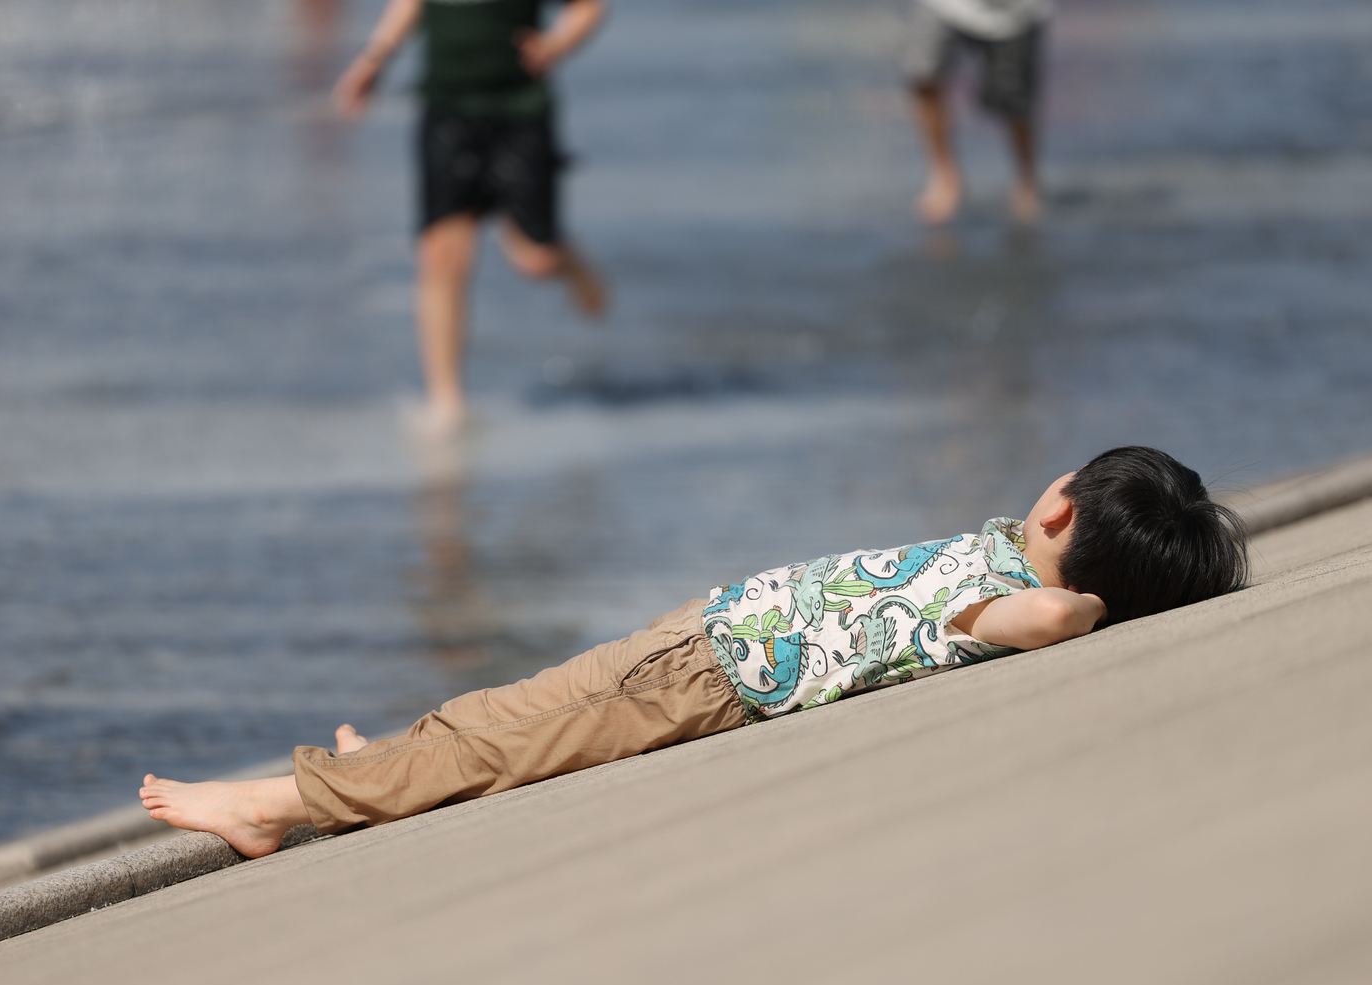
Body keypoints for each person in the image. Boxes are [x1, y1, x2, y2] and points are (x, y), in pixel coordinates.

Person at [139, 447, 1246, 857]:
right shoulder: (1001, 553)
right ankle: (374, 765)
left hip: (703, 674)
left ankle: (276, 801)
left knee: (502, 737)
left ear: (1061, 507)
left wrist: (1075, 604)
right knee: (506, 713)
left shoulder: (1007, 595)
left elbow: (1034, 623)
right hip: (702, 638)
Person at [333, 0, 608, 434]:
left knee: (535, 261)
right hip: (446, 109)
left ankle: (568, 261)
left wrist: (556, 44)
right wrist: (374, 58)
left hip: (519, 110)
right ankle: (446, 401)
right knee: (440, 254)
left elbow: (589, 7)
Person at [901, 0, 1052, 225]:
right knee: (923, 73)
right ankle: (945, 176)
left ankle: (1026, 178)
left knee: (1015, 101)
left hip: (1015, 13)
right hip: (943, 6)